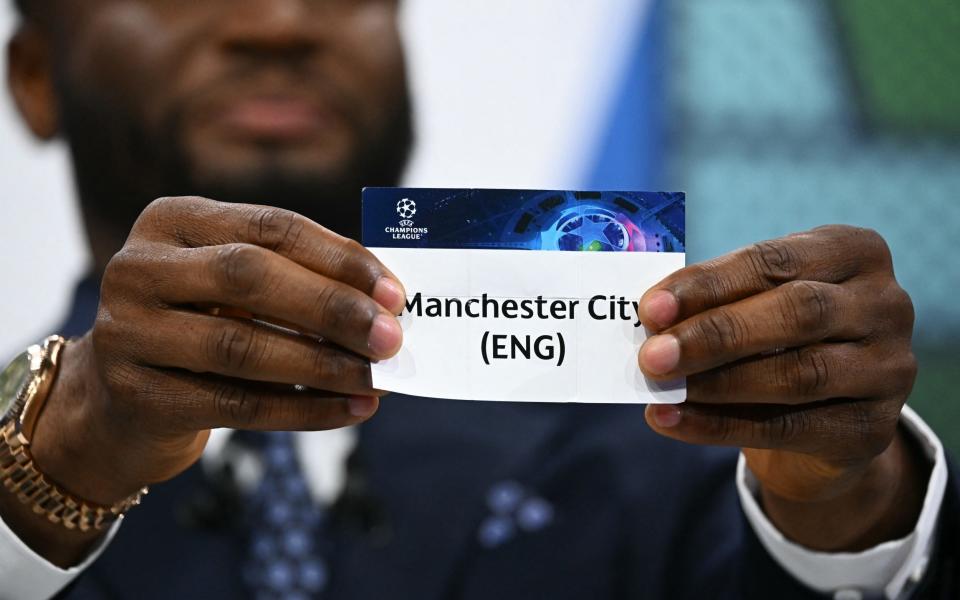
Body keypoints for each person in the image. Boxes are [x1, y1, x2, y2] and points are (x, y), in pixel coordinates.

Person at [0, 1, 955, 598]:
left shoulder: (659, 439)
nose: (282, 22)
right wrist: (47, 484)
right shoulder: (29, 480)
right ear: (36, 77)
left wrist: (850, 496)